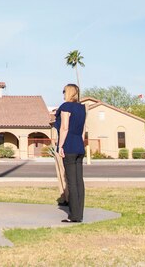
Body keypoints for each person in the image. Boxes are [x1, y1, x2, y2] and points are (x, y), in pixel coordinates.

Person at [55, 82, 86, 223]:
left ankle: (74, 215)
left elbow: (64, 127)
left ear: (68, 92)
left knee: (71, 182)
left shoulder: (66, 107)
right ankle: (79, 213)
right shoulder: (81, 108)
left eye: (64, 91)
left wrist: (60, 146)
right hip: (79, 145)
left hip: (69, 146)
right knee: (79, 181)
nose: (63, 94)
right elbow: (84, 129)